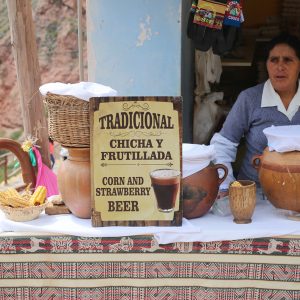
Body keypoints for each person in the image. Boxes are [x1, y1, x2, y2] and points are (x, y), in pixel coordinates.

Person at [210, 33, 300, 196]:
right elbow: (223, 143)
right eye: (273, 60)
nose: (280, 67)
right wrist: (226, 186)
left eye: (288, 60)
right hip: (255, 194)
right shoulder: (250, 98)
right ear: (266, 65)